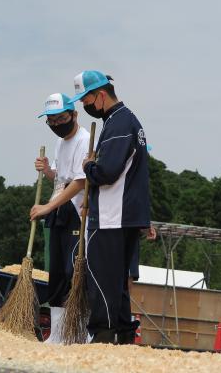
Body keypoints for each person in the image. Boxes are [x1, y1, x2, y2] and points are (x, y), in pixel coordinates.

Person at [68, 70, 150, 344]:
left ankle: (101, 334)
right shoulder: (129, 121)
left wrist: (88, 165)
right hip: (127, 214)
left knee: (101, 277)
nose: (84, 106)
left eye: (86, 100)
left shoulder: (117, 124)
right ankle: (124, 335)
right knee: (119, 282)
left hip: (112, 216)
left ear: (101, 95)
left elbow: (107, 171)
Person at [29, 93, 91, 344]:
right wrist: (48, 170)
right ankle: (57, 333)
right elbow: (61, 177)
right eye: (51, 121)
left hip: (77, 211)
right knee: (56, 272)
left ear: (74, 115)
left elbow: (79, 182)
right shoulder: (60, 142)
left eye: (61, 119)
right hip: (59, 208)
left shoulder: (85, 139)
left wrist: (46, 207)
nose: (56, 125)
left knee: (73, 271)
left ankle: (81, 333)